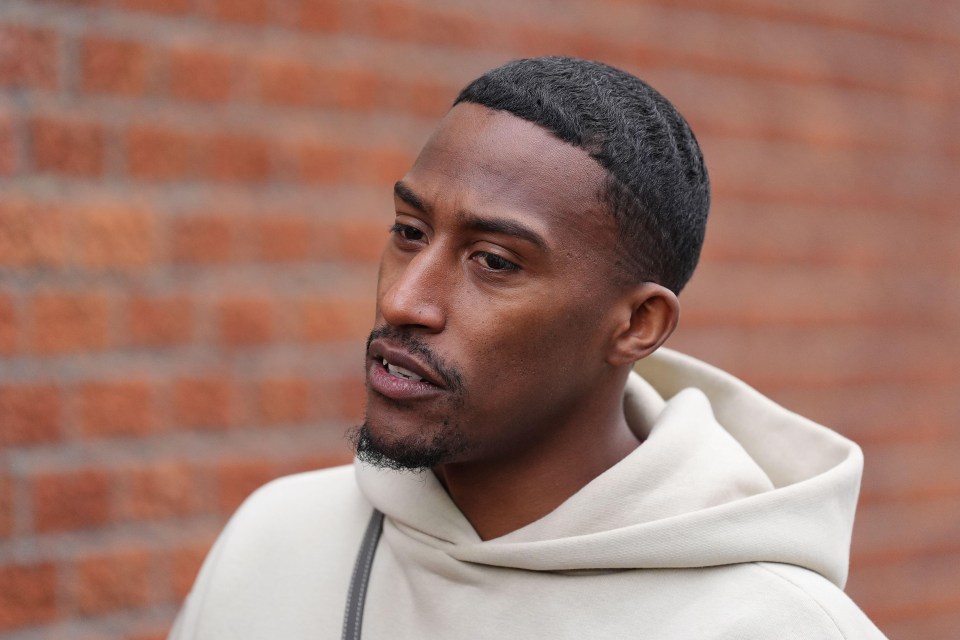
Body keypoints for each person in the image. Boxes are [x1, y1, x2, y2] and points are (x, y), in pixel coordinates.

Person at [170, 57, 886, 639]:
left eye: (494, 262)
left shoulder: (780, 625)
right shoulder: (273, 540)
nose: (403, 302)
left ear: (637, 325)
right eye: (409, 232)